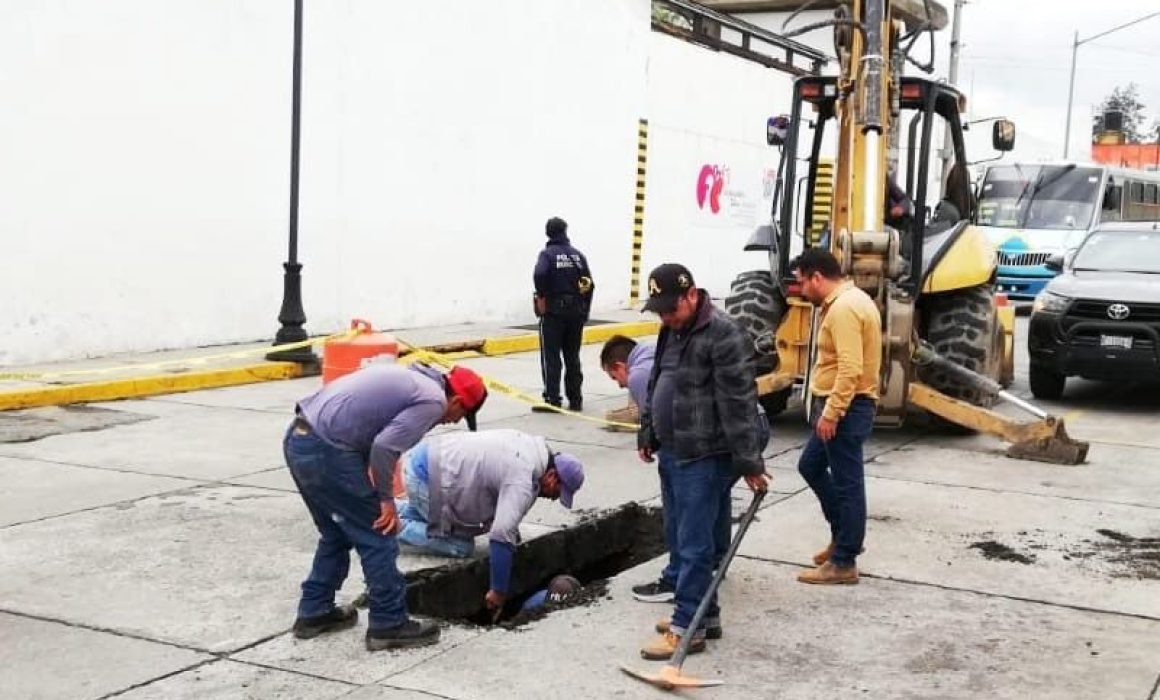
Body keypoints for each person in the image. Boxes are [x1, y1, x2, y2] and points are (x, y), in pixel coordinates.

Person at [284, 362, 487, 652]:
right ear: (455, 400)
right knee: (379, 534)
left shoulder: (414, 378)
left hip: (300, 438)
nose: (453, 421)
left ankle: (314, 612)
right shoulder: (432, 400)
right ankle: (388, 623)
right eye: (461, 414)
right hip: (327, 450)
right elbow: (384, 447)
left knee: (336, 532)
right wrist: (385, 499)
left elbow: (365, 429)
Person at [635, 263, 769, 661]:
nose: (665, 317)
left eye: (670, 309)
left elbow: (739, 402)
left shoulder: (725, 333)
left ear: (692, 294)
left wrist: (750, 463)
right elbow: (658, 380)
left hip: (704, 454)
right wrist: (648, 431)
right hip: (673, 450)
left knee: (694, 545)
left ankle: (684, 629)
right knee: (680, 537)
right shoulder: (670, 329)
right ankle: (704, 617)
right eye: (659, 311)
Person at [602, 334, 769, 607]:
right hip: (751, 424)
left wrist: (651, 440)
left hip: (711, 435)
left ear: (621, 365)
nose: (621, 385)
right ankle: (714, 563)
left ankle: (678, 579)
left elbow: (657, 416)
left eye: (615, 377)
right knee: (715, 494)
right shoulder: (664, 349)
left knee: (683, 509)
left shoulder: (640, 372)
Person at [394, 429, 585, 616]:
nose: (554, 498)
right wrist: (498, 591)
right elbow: (501, 534)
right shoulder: (523, 476)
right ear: (552, 476)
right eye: (558, 492)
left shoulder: (533, 452)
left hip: (432, 462)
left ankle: (384, 509)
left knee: (437, 520)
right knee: (460, 545)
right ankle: (394, 526)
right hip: (427, 478)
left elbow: (509, 505)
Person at [790, 248, 881, 585]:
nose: (800, 290)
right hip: (841, 406)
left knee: (847, 485)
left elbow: (850, 368)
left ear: (817, 277)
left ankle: (844, 561)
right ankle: (842, 537)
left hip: (845, 407)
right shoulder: (852, 300)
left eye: (802, 283)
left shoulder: (843, 308)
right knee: (810, 465)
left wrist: (832, 412)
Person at [533, 216, 595, 412]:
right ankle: (575, 400)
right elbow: (588, 283)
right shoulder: (577, 256)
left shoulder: (547, 255)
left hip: (554, 312)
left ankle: (552, 399)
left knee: (551, 356)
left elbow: (540, 274)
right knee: (572, 356)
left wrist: (542, 295)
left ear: (547, 233)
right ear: (565, 231)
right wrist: (585, 310)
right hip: (576, 312)